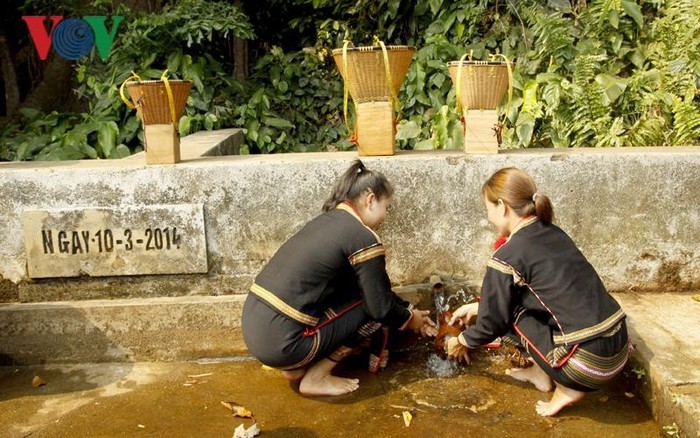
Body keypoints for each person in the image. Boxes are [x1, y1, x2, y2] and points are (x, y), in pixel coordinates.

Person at [242, 159, 437, 397]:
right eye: (387, 207)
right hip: (283, 342)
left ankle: (295, 367)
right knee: (374, 313)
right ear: (370, 199)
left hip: (256, 330)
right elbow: (379, 307)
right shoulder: (363, 237)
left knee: (364, 302)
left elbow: (367, 289)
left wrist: (408, 309)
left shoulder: (327, 221)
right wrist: (409, 318)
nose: (386, 215)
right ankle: (317, 376)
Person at [446, 167, 630, 417]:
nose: (488, 217)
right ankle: (540, 373)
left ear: (501, 206)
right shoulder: (553, 233)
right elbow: (549, 296)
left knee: (510, 313)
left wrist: (461, 341)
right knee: (520, 304)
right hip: (617, 350)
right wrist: (480, 307)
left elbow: (493, 323)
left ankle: (567, 387)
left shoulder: (507, 256)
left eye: (488, 209)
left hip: (586, 367)